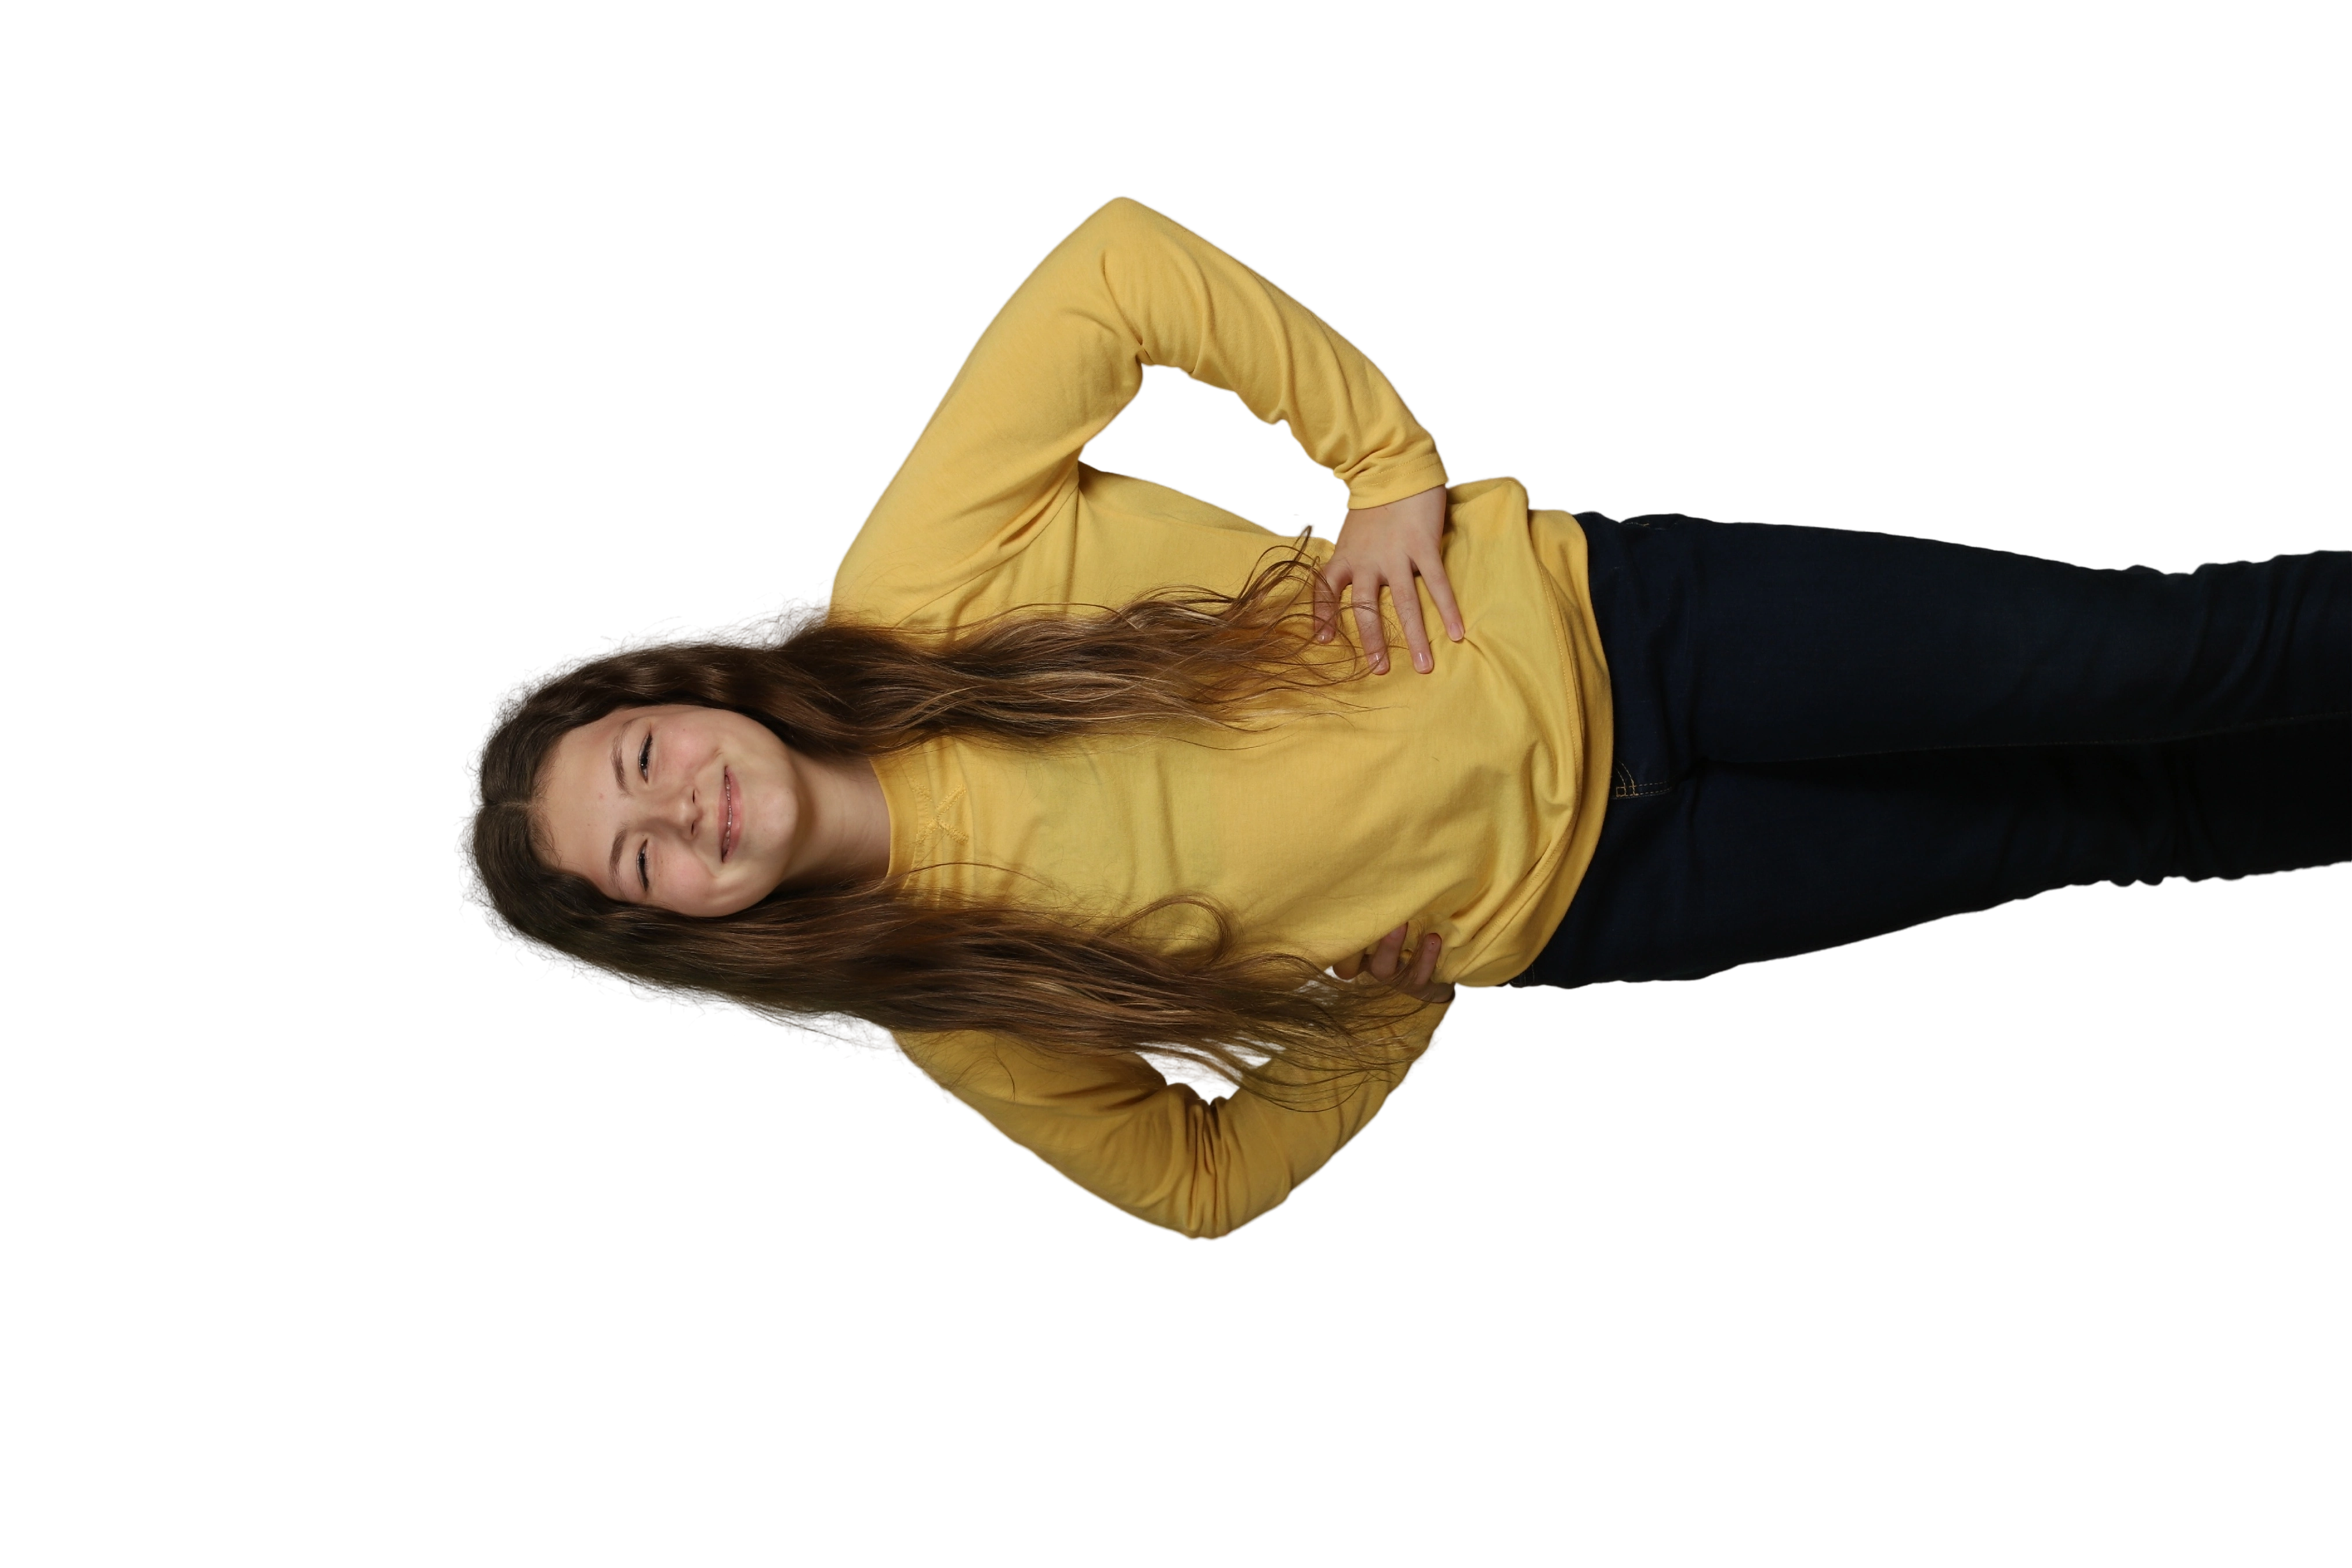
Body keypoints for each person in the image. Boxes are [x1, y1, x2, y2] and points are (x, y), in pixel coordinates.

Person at [454, 195, 2352, 1243]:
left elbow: (1116, 268)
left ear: (678, 695)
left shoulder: (917, 582)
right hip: (1625, 892)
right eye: (643, 867)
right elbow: (1199, 1190)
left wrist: (1381, 469)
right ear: (683, 928)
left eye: (641, 768)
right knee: (2121, 824)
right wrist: (1372, 1015)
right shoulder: (955, 1015)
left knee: (2163, 661)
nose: (684, 816)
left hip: (1633, 635)